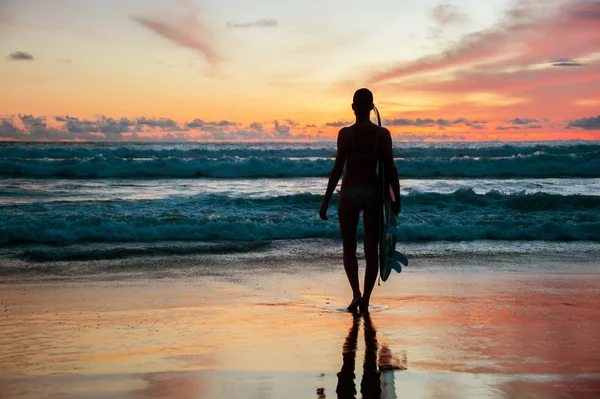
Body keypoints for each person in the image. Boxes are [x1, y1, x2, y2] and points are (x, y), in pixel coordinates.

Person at [319, 88, 400, 314]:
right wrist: (397, 200)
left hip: (349, 193)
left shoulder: (345, 134)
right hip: (373, 193)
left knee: (349, 247)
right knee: (372, 250)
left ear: (353, 107)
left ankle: (355, 294)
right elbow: (390, 169)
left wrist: (325, 201)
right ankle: (365, 299)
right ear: (372, 108)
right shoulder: (382, 135)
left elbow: (337, 169)